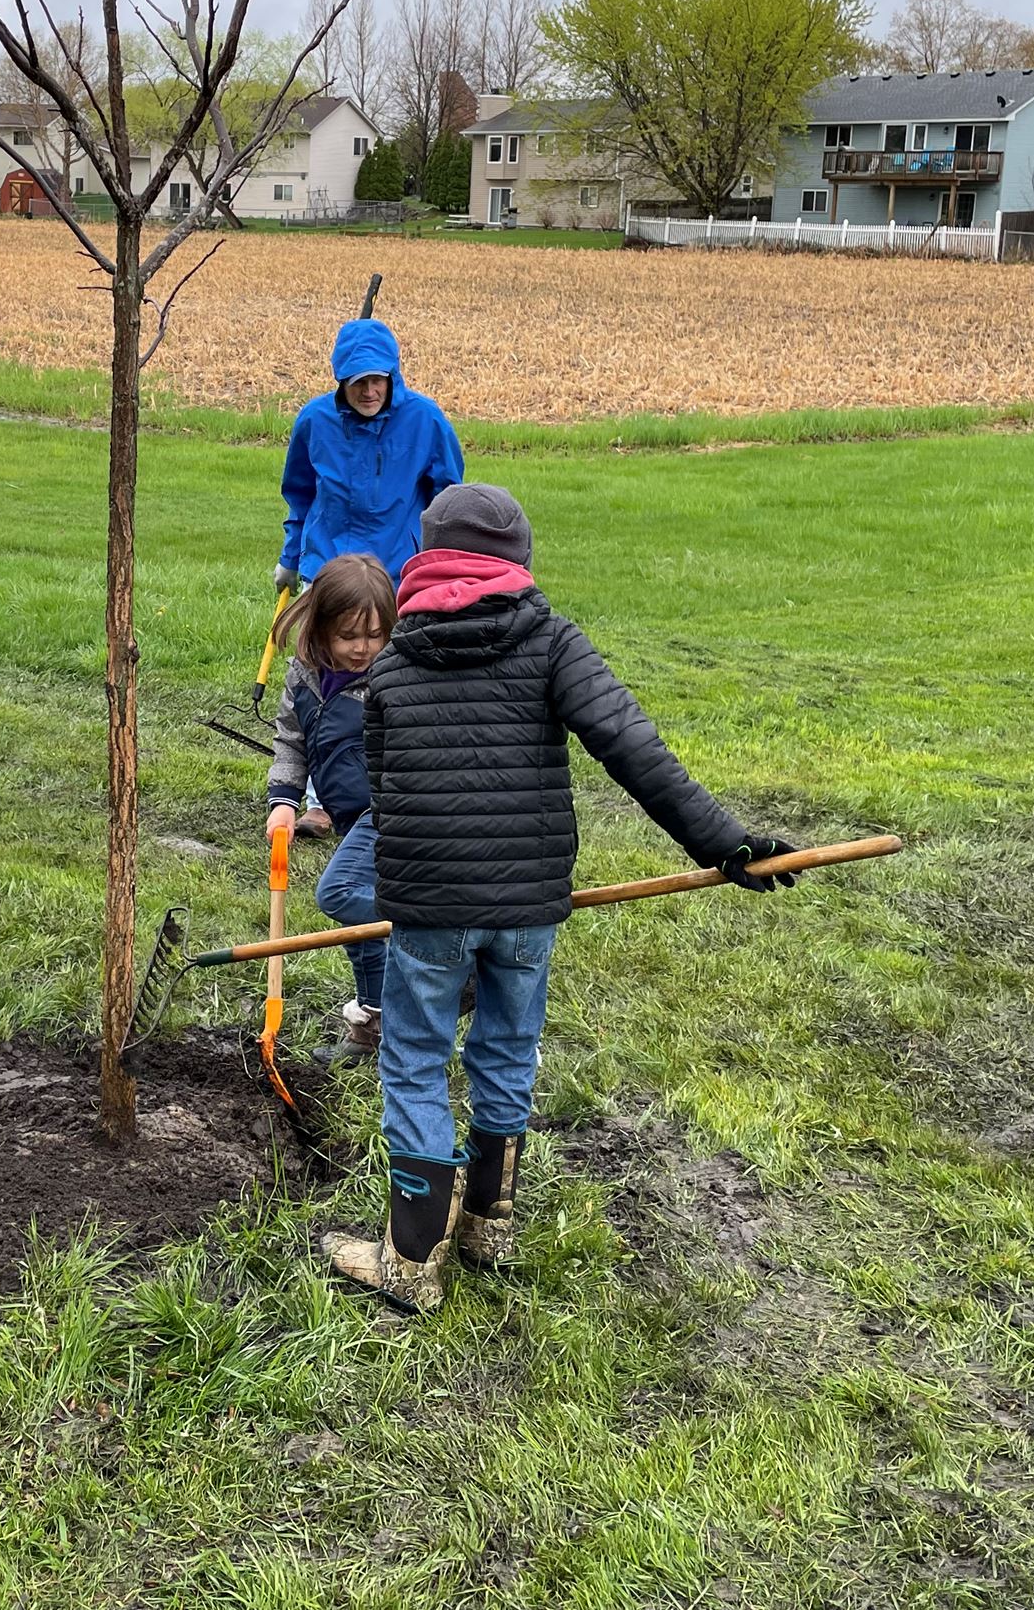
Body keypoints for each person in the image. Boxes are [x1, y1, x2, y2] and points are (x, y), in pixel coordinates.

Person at [321, 484, 798, 1312]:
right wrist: (725, 843)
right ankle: (488, 1222)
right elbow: (632, 745)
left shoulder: (394, 665)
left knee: (414, 1060)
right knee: (506, 1050)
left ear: (426, 560)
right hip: (529, 906)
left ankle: (409, 1258)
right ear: (517, 563)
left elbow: (386, 796)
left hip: (429, 908)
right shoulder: (550, 641)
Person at [263, 554, 396, 1057]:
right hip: (346, 815)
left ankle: (436, 932)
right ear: (320, 629)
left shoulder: (391, 677)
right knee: (359, 930)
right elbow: (291, 741)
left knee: (339, 893)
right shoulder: (305, 674)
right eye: (348, 636)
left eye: (375, 635)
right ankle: (373, 1028)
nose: (363, 648)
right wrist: (284, 799)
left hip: (387, 809)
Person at [276, 312, 463, 598]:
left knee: (387, 643)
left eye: (377, 380)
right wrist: (290, 559)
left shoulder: (426, 420)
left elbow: (448, 501)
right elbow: (300, 495)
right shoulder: (315, 420)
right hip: (327, 570)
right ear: (341, 380)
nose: (369, 392)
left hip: (398, 574)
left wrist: (441, 567)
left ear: (392, 376)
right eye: (358, 382)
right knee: (328, 644)